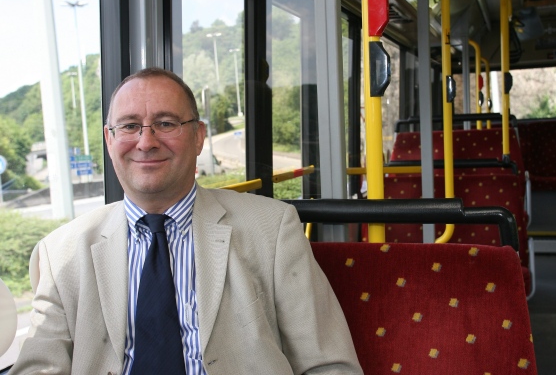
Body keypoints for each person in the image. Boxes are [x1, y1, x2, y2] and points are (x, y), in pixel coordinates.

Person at [9, 68, 362, 374]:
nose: (146, 142)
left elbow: (329, 366)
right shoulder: (59, 255)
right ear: (109, 138)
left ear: (198, 136)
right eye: (130, 126)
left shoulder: (273, 229)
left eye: (166, 123)